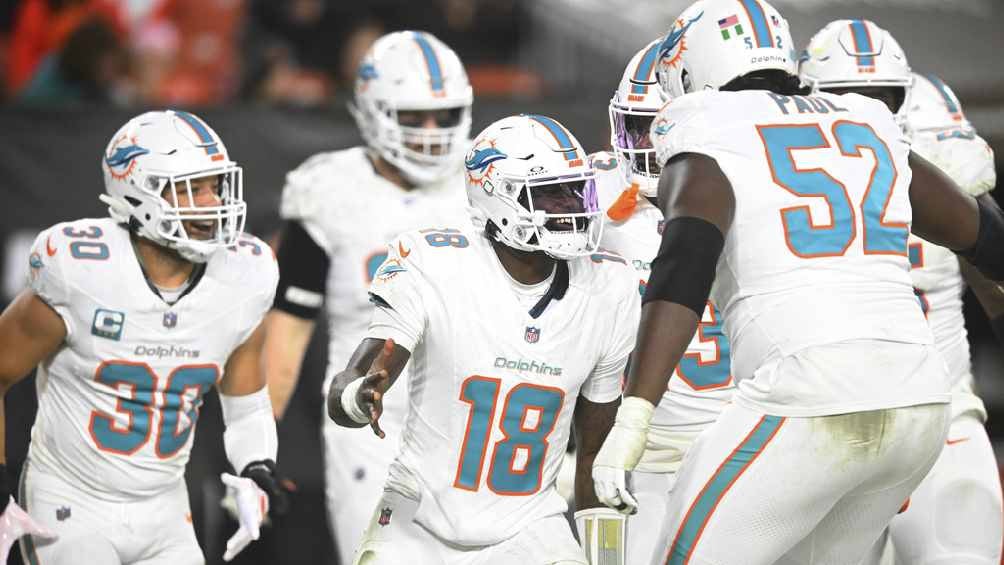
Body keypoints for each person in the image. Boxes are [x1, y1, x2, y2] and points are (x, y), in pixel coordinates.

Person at [590, 0, 1004, 562]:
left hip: (806, 393)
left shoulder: (705, 125)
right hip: (922, 402)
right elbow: (978, 232)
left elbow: (684, 264)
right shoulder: (864, 118)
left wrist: (635, 414)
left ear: (691, 70)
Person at [327, 114, 640, 564]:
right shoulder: (434, 263)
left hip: (530, 528)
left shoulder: (609, 287)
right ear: (497, 195)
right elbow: (355, 379)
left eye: (577, 191)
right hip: (419, 525)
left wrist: (607, 559)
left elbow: (595, 455)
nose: (571, 207)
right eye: (550, 193)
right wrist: (359, 397)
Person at [0, 110, 286, 564]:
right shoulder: (81, 271)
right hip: (72, 500)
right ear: (138, 191)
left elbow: (247, 404)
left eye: (215, 186)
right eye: (192, 188)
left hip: (166, 508)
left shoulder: (244, 276)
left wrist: (256, 467)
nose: (212, 202)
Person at [260, 30, 473, 564]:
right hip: (369, 427)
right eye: (414, 117)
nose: (431, 133)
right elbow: (286, 335)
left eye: (444, 116)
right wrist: (255, 449)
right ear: (373, 112)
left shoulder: (487, 181)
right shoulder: (330, 191)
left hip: (474, 422)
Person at [801, 23, 1003, 563]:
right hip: (820, 419)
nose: (863, 109)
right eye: (846, 95)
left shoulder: (929, 118)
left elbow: (988, 258)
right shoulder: (771, 137)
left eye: (882, 96)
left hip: (938, 407)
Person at [592, 39, 733, 565]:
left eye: (666, 129)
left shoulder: (753, 188)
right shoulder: (593, 192)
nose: (652, 148)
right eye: (641, 129)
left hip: (744, 436)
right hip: (643, 448)